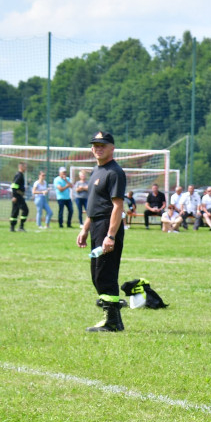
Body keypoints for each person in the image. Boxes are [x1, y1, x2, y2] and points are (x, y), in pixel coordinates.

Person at [76, 131, 127, 332]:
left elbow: (117, 206)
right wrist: (85, 229)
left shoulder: (114, 172)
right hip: (97, 225)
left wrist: (110, 235)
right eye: (95, 145)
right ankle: (113, 315)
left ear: (112, 148)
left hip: (107, 225)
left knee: (105, 273)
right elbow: (93, 205)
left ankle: (112, 321)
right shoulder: (96, 171)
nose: (98, 148)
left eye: (102, 145)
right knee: (98, 273)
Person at [9, 162, 29, 232]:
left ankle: (12, 228)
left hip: (18, 196)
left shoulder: (20, 175)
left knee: (15, 211)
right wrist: (14, 196)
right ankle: (21, 226)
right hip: (17, 196)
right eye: (25, 167)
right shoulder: (19, 175)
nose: (26, 168)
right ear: (21, 167)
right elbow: (14, 186)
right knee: (25, 210)